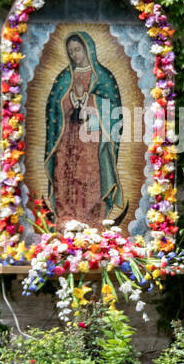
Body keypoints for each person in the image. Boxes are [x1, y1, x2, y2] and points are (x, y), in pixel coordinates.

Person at [44, 30, 127, 228]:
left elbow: (114, 108)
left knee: (88, 175)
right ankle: (66, 221)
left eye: (77, 50)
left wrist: (86, 98)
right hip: (67, 136)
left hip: (92, 136)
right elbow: (53, 107)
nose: (74, 55)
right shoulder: (65, 77)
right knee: (65, 174)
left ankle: (92, 221)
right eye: (70, 51)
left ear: (88, 49)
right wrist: (72, 98)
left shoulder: (103, 77)